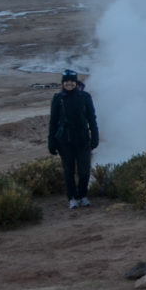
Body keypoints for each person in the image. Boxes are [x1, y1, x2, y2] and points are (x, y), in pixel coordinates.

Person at [48, 70, 99, 209]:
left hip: (83, 139)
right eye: (66, 81)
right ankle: (72, 198)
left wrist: (95, 136)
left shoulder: (85, 97)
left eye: (71, 81)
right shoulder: (58, 99)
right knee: (69, 170)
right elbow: (53, 122)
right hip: (64, 141)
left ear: (76, 82)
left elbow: (92, 119)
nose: (69, 83)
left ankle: (83, 195)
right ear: (63, 83)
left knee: (84, 170)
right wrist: (51, 142)